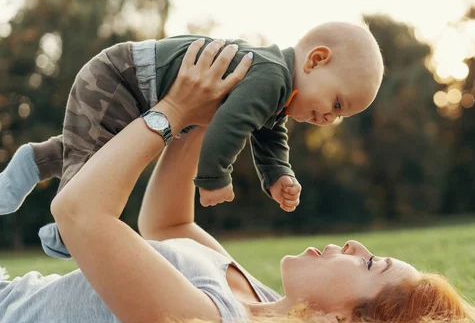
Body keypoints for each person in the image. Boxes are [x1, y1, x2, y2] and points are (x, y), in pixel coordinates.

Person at [0, 42, 475, 323]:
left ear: (341, 321)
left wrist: (170, 110)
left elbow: (79, 213)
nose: (357, 245)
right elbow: (167, 225)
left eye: (370, 265)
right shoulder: (259, 296)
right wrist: (203, 115)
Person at [0, 21, 383, 218]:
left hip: (134, 87)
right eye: (336, 103)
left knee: (94, 147)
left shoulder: (278, 93)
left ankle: (33, 162)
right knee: (91, 159)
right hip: (124, 78)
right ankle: (70, 223)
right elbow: (231, 125)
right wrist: (214, 178)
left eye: (340, 117)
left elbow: (268, 134)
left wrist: (278, 174)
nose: (330, 118)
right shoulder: (270, 75)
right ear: (316, 60)